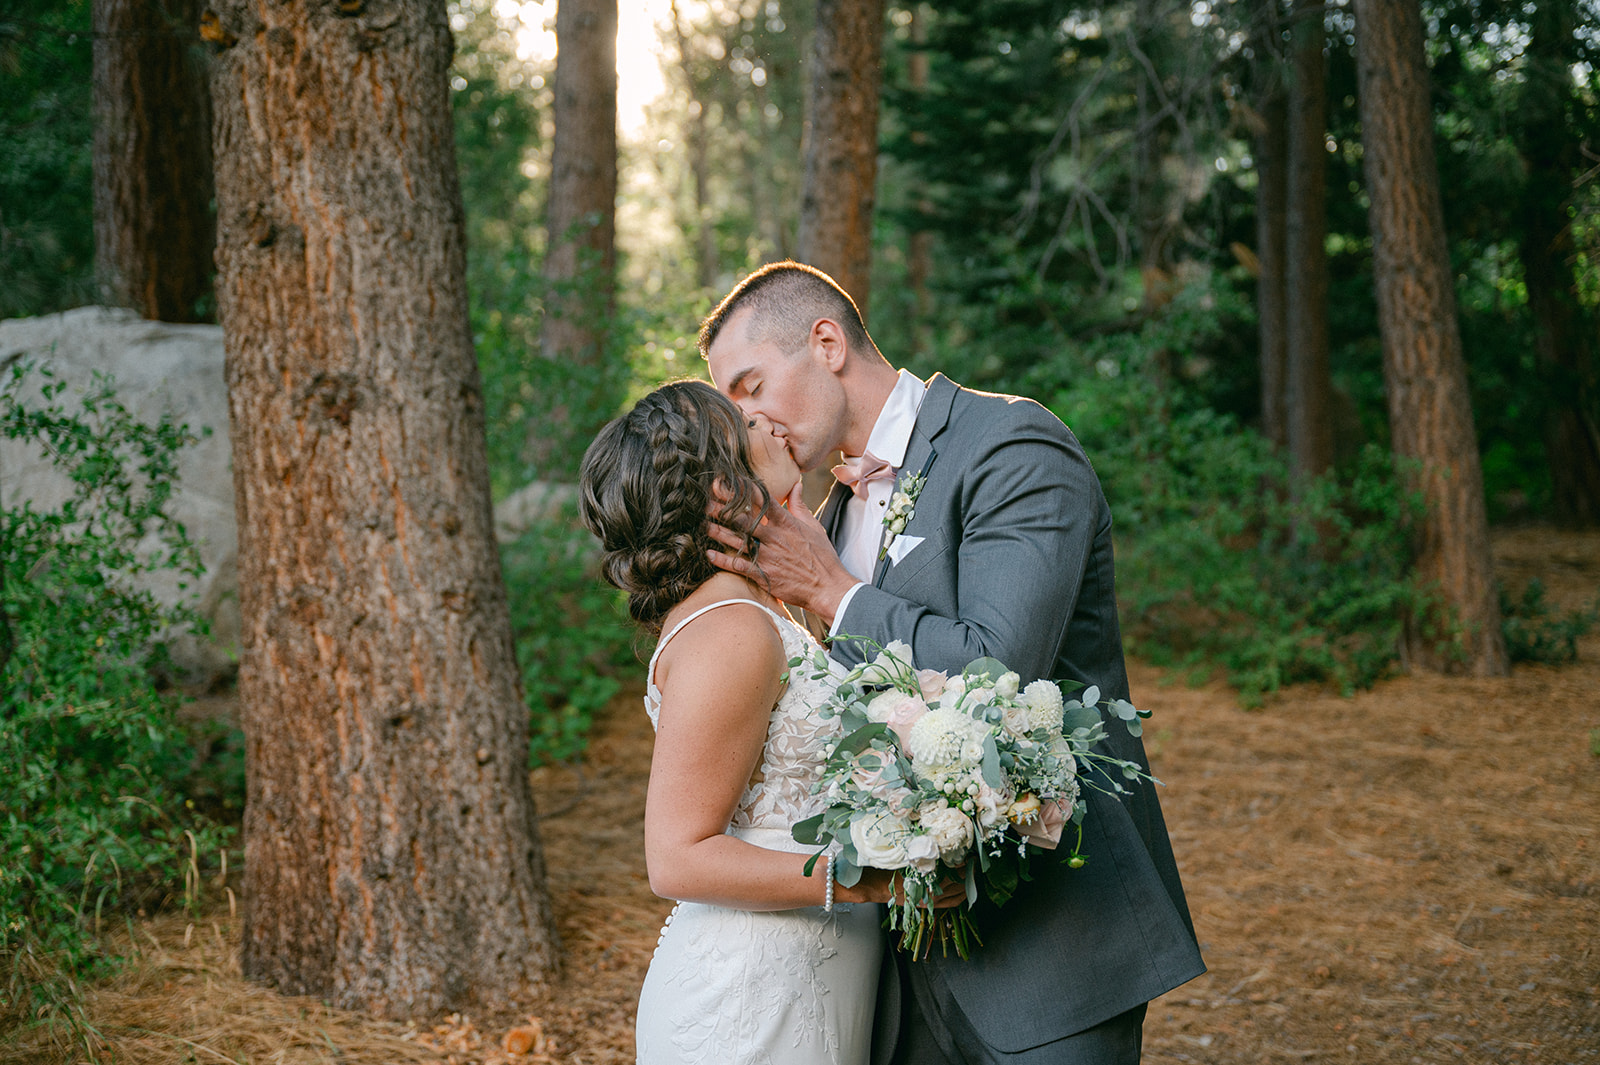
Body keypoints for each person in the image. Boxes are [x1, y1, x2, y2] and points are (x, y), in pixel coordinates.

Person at [700, 261, 1206, 1065]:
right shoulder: (822, 516)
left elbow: (1000, 667)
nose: (749, 420)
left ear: (825, 342)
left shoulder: (1012, 445)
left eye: (751, 385)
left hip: (1052, 946)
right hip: (897, 969)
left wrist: (834, 591)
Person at [578, 380, 888, 1064]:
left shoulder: (762, 604)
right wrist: (870, 879)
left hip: (812, 973)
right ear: (721, 488)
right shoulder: (732, 629)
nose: (774, 422)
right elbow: (676, 855)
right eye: (749, 422)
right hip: (752, 995)